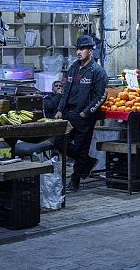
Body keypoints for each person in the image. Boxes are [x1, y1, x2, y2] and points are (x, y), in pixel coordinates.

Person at [55, 35, 108, 192]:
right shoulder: (73, 68)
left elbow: (101, 96)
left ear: (90, 51)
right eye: (77, 49)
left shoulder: (98, 71)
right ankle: (87, 162)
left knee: (80, 148)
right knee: (58, 142)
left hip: (84, 116)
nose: (79, 52)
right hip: (67, 113)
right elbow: (65, 91)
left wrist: (86, 112)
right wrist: (59, 109)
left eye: (82, 49)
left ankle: (75, 180)